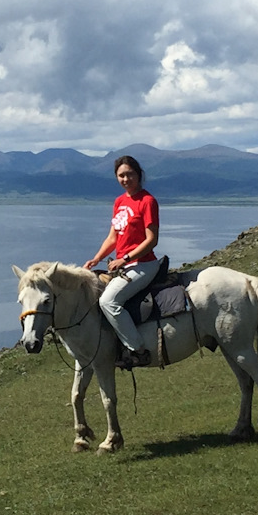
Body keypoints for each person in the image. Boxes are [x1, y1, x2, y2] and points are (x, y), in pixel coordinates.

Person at [85, 155, 161, 368]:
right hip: (124, 265)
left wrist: (125, 258)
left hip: (143, 264)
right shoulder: (120, 202)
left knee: (108, 301)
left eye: (130, 174)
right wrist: (97, 258)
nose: (126, 179)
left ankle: (138, 350)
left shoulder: (148, 201)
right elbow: (113, 238)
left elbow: (152, 240)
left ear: (138, 175)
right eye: (121, 175)